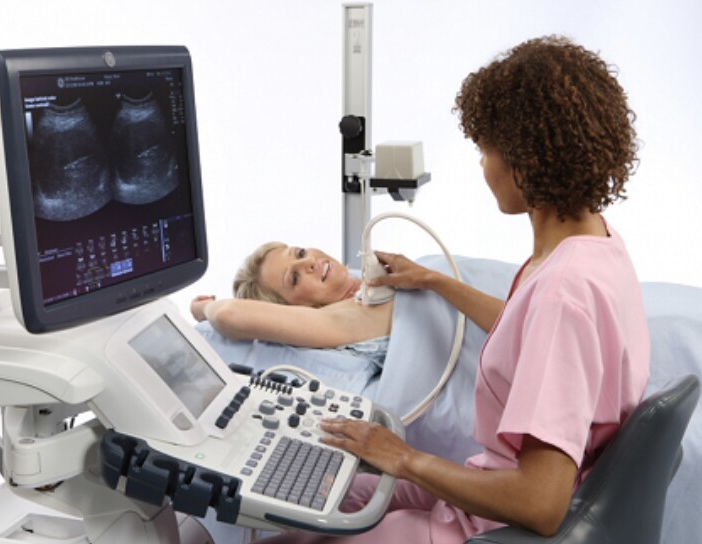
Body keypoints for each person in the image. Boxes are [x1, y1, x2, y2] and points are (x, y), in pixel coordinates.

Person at [254, 35, 651, 544]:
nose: (482, 166)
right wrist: (434, 281)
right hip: (488, 489)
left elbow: (540, 503)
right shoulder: (597, 244)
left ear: (525, 160)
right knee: (322, 491)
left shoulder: (562, 292)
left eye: (485, 150)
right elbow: (530, 329)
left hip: (495, 524)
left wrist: (404, 458)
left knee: (305, 530)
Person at [190, 242, 393, 359]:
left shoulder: (383, 278)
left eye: (300, 253)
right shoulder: (344, 318)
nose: (309, 261)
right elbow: (228, 314)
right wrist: (203, 308)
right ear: (292, 310)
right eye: (295, 278)